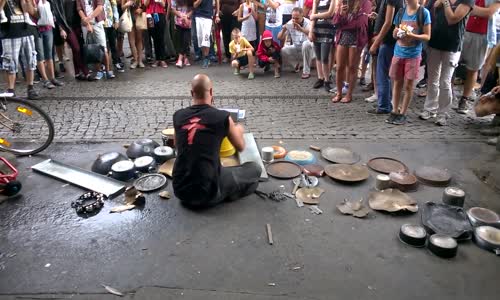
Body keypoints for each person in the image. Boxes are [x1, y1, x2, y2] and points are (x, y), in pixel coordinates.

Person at [173, 74, 261, 209]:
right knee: (254, 168)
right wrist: (239, 129)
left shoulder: (178, 116)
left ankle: (227, 188)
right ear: (212, 92)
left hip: (180, 190)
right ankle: (228, 192)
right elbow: (241, 146)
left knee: (222, 169)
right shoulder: (223, 117)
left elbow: (177, 145)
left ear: (192, 93)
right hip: (208, 193)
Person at [419, 0, 474, 126]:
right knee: (432, 79)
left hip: (452, 45)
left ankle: (443, 113)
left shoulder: (467, 1)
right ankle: (429, 109)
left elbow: (452, 19)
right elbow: (434, 6)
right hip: (436, 41)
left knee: (445, 81)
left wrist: (446, 3)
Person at [386, 0, 431, 124]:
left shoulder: (423, 13)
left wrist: (413, 36)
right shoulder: (401, 12)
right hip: (398, 52)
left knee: (409, 85)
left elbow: (427, 36)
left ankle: (403, 113)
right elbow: (395, 32)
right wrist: (395, 33)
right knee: (396, 83)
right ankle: (395, 110)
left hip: (413, 54)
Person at [456, 0, 500, 114]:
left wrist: (468, 7)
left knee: (473, 68)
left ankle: (464, 99)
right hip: (461, 28)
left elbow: (489, 13)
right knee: (452, 65)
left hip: (481, 34)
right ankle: (446, 96)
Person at [367, 0, 403, 114]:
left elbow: (388, 22)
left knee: (382, 74)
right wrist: (379, 17)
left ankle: (384, 105)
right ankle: (387, 103)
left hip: (387, 41)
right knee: (385, 73)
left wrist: (376, 43)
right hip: (388, 41)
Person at [332, 0, 371, 104]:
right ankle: (339, 93)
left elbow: (360, 23)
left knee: (352, 67)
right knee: (339, 67)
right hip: (343, 37)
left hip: (356, 38)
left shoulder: (365, 3)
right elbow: (335, 22)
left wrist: (344, 23)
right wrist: (341, 14)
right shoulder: (342, 2)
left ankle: (349, 94)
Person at [1, 0, 40, 99]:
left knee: (30, 61)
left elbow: (35, 14)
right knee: (10, 64)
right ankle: (11, 90)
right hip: (9, 34)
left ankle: (30, 88)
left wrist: (30, 4)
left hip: (27, 31)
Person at [77, 0, 112, 79]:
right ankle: (98, 71)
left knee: (103, 48)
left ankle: (107, 70)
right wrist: (87, 23)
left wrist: (89, 18)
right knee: (93, 48)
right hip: (85, 24)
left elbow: (100, 7)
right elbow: (79, 9)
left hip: (97, 22)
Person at [34, 0, 65, 89]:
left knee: (50, 55)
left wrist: (60, 28)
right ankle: (45, 80)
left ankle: (52, 78)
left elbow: (53, 13)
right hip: (37, 29)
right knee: (40, 55)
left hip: (48, 28)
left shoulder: (47, 1)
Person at [277, 7, 314, 78]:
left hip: (310, 48)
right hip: (296, 47)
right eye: (293, 18)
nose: (295, 20)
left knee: (306, 44)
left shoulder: (308, 22)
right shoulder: (290, 23)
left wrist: (301, 29)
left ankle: (306, 71)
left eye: (297, 18)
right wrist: (284, 29)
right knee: (283, 50)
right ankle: (296, 65)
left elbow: (312, 36)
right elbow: (279, 37)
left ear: (302, 16)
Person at [309, 0, 336, 92]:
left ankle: (327, 80)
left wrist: (315, 15)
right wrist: (311, 31)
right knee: (318, 56)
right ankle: (320, 78)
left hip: (328, 31)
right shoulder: (316, 1)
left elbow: (330, 13)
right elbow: (313, 17)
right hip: (317, 30)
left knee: (324, 57)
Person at [193, 0, 219, 68]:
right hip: (198, 16)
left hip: (208, 17)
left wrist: (217, 14)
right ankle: (205, 56)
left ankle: (206, 58)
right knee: (200, 38)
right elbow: (194, 5)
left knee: (206, 37)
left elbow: (217, 1)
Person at [122, 0, 146, 69]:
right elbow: (122, 7)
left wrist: (141, 9)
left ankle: (140, 60)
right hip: (129, 18)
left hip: (139, 17)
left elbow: (145, 4)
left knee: (139, 39)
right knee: (131, 41)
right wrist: (127, 5)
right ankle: (135, 60)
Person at [145, 0, 168, 67]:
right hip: (150, 16)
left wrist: (159, 1)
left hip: (160, 14)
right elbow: (145, 4)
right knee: (154, 37)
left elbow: (164, 5)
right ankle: (157, 59)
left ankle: (163, 59)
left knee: (161, 36)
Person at [172, 0, 192, 68]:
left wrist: (186, 16)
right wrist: (181, 16)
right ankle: (185, 58)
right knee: (180, 40)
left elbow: (193, 8)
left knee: (186, 40)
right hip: (178, 21)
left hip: (188, 21)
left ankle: (180, 59)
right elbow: (173, 9)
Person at [103, 0, 119, 76]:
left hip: (110, 22)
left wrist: (116, 20)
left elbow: (114, 7)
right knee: (105, 46)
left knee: (113, 44)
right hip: (101, 23)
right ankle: (105, 65)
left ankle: (116, 61)